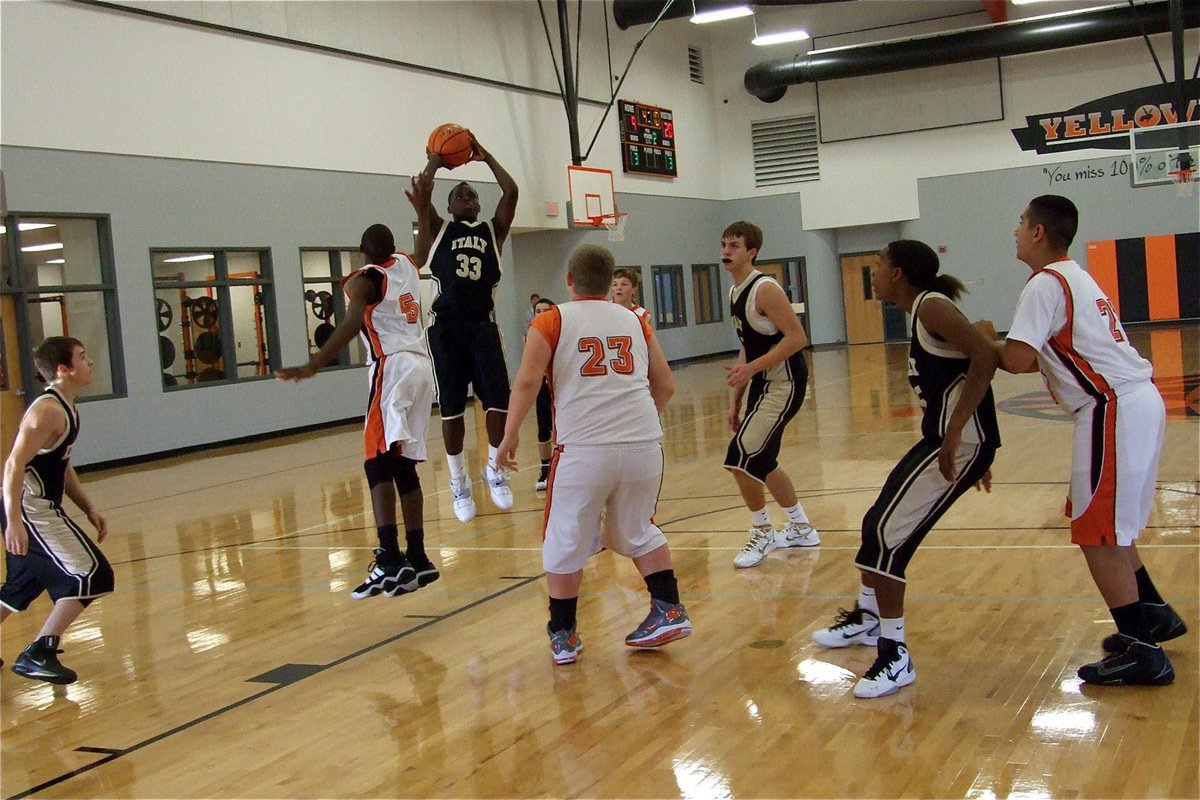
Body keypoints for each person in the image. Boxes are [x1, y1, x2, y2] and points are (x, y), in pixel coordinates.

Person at [982, 194, 1182, 687]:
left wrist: (977, 339)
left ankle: (1141, 650)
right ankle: (1153, 614)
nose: (1015, 229)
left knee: (1096, 533)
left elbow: (1019, 359)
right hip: (1134, 402)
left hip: (1111, 408)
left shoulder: (1045, 284)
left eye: (1020, 221)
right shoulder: (1076, 274)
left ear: (1038, 233)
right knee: (1111, 527)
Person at [810, 240, 1000, 699]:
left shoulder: (931, 306)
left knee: (889, 535)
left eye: (877, 266)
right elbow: (981, 335)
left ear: (897, 274)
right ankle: (870, 617)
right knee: (876, 524)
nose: (872, 274)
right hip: (947, 440)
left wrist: (961, 433)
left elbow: (986, 354)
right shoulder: (922, 309)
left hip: (956, 442)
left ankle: (895, 655)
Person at [496, 244, 691, 665]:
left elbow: (527, 383)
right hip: (643, 444)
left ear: (569, 278)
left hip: (584, 448)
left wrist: (509, 435)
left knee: (564, 536)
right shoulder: (637, 321)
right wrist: (637, 424)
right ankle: (668, 607)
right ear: (609, 284)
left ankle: (563, 633)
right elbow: (666, 384)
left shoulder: (550, 320)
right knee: (637, 528)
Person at [277, 224, 439, 599]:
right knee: (401, 463)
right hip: (420, 369)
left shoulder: (367, 279)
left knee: (374, 461)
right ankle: (417, 556)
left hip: (392, 368)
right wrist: (425, 196)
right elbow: (426, 240)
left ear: (362, 252)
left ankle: (389, 557)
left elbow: (351, 323)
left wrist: (314, 362)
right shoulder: (405, 263)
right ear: (392, 246)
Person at [408, 134, 519, 523]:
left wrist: (485, 156)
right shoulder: (439, 229)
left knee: (497, 403)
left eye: (473, 196)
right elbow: (423, 193)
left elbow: (512, 190)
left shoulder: (493, 232)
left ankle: (495, 469)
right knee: (452, 410)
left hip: (482, 326)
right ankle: (458, 480)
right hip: (446, 330)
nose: (469, 200)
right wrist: (436, 162)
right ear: (450, 206)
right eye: (462, 196)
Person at [2, 337, 114, 684]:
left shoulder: (67, 406)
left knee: (21, 585)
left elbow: (61, 466)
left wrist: (88, 506)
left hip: (38, 505)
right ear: (64, 369)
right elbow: (12, 467)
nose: (91, 362)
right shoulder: (45, 411)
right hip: (29, 507)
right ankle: (39, 651)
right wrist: (15, 523)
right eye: (83, 357)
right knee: (92, 574)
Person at [720, 221, 819, 569]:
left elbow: (797, 338)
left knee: (740, 458)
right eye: (724, 245)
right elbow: (748, 349)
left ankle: (762, 531)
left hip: (786, 382)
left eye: (734, 245)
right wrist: (736, 398)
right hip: (762, 384)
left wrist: (751, 369)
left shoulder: (765, 289)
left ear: (752, 251)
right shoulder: (736, 293)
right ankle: (801, 527)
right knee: (763, 461)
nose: (726, 251)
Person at [530, 297, 557, 491]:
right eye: (537, 311)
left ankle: (564, 469)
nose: (541, 314)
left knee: (563, 428)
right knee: (543, 429)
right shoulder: (532, 335)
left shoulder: (560, 332)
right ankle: (545, 470)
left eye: (544, 311)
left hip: (560, 385)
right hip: (541, 386)